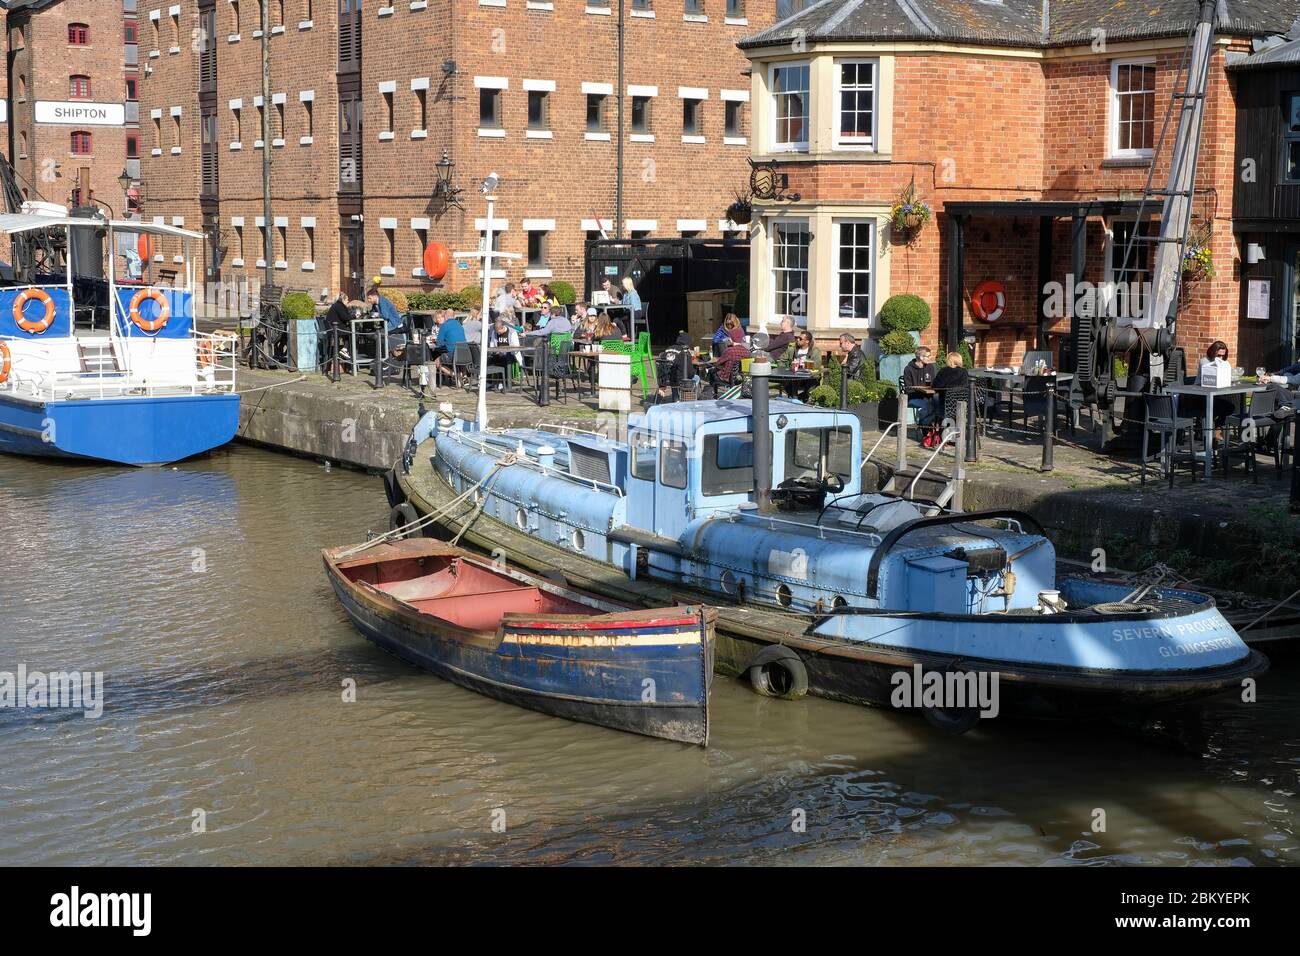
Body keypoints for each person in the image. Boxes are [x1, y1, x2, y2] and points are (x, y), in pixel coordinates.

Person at [903, 345, 939, 446]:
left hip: (928, 396)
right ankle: (926, 432)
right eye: (928, 356)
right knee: (927, 405)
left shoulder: (930, 367)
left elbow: (934, 383)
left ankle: (933, 431)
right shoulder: (908, 369)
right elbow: (908, 387)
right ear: (921, 357)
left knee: (937, 403)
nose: (930, 358)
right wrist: (920, 389)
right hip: (914, 397)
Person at [932, 350, 971, 433]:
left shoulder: (944, 371)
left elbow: (936, 386)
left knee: (934, 399)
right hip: (961, 406)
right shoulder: (964, 372)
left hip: (946, 406)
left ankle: (939, 433)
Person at [486, 316, 522, 390]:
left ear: (503, 327)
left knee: (504, 359)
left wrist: (504, 351)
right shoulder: (494, 332)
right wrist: (496, 351)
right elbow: (492, 345)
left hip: (511, 354)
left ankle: (503, 382)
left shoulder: (512, 332)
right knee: (489, 360)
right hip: (498, 353)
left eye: (499, 331)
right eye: (497, 331)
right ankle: (489, 382)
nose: (498, 333)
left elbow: (516, 347)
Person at [431, 309, 467, 383]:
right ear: (454, 316)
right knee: (459, 359)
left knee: (436, 361)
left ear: (445, 316)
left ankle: (455, 375)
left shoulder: (444, 325)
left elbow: (439, 343)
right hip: (465, 354)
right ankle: (464, 377)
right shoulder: (459, 324)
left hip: (452, 354)